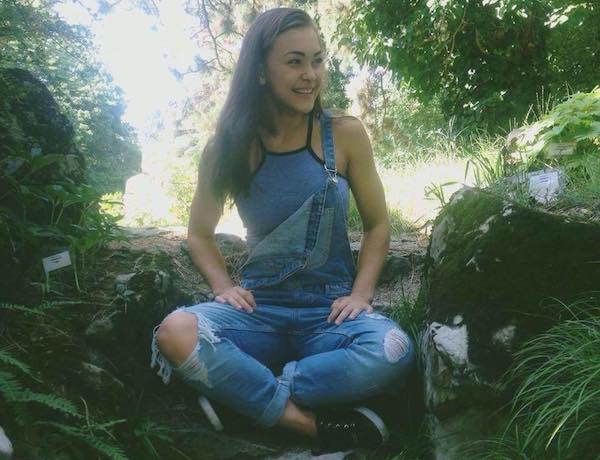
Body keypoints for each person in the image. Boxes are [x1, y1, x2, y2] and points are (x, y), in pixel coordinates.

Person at [151, 7, 415, 452]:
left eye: (317, 60)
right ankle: (309, 425)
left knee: (393, 349)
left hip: (329, 313)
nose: (310, 75)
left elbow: (378, 226)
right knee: (175, 332)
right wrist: (223, 287)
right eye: (294, 62)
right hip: (258, 311)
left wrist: (361, 294)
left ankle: (244, 395)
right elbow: (199, 234)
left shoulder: (345, 134)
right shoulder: (227, 148)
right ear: (259, 72)